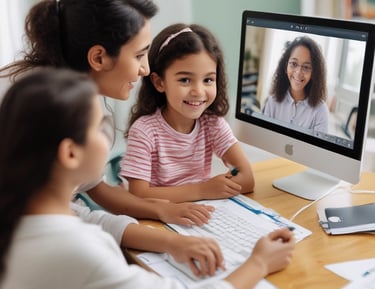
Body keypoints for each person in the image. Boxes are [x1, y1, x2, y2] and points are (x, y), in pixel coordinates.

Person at [0, 68, 295, 289]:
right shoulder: (79, 250)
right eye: (100, 127)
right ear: (70, 153)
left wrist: (170, 242)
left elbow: (94, 220)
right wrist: (259, 263)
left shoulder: (21, 215)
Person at [0, 0, 215, 248]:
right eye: (139, 55)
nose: (145, 69)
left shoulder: (71, 93)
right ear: (99, 57)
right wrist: (170, 241)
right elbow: (74, 219)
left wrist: (158, 210)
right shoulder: (40, 111)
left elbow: (93, 186)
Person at [120, 23, 255, 203]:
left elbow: (247, 179)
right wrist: (202, 190)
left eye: (208, 79)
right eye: (185, 80)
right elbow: (138, 195)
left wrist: (214, 189)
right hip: (159, 218)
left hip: (200, 212)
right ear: (159, 82)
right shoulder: (144, 131)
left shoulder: (212, 123)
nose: (198, 91)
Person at [262, 36, 329, 133]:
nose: (298, 72)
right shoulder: (272, 102)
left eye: (306, 67)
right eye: (294, 64)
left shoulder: (321, 111)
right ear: (286, 67)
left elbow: (319, 148)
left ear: (313, 72)